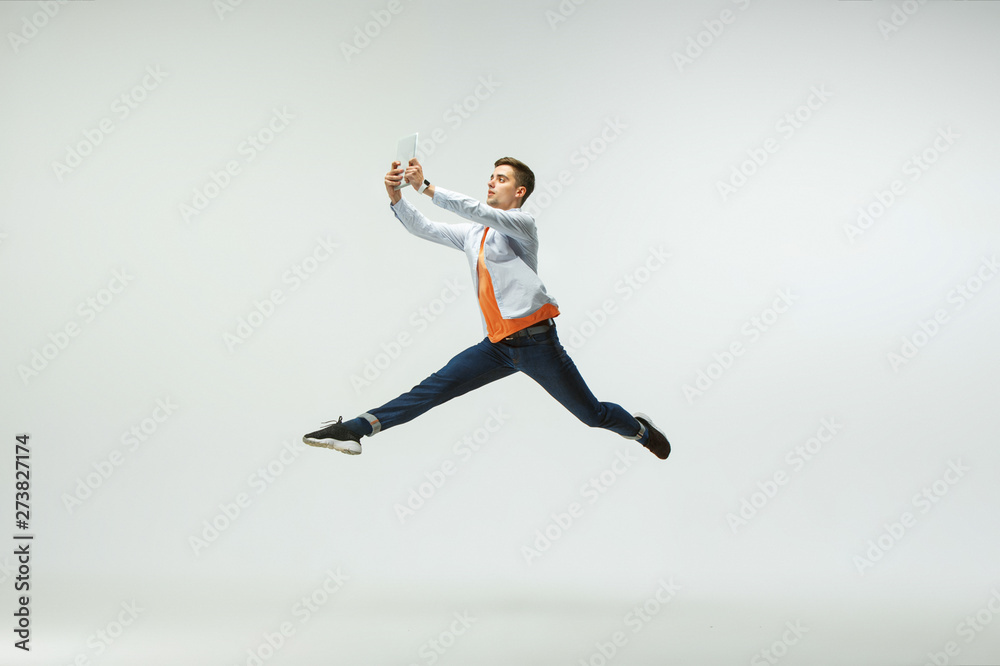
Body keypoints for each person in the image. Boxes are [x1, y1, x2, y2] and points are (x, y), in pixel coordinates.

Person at [302, 156, 670, 460]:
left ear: (519, 191)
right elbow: (424, 228)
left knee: (592, 414)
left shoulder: (523, 225)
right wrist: (397, 197)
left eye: (501, 179)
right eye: (491, 177)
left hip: (537, 345)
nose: (492, 183)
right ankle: (355, 429)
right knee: (431, 389)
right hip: (496, 347)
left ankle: (639, 430)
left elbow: (477, 210)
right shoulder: (473, 234)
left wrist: (426, 186)